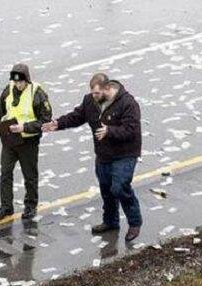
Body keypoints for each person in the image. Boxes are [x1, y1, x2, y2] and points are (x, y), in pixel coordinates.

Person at [43, 76, 143, 241]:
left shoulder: (128, 103)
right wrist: (58, 124)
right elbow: (77, 117)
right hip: (104, 154)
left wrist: (109, 131)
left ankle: (134, 223)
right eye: (92, 93)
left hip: (125, 154)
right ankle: (110, 222)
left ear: (107, 88)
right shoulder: (90, 101)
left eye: (97, 93)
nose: (94, 96)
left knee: (119, 187)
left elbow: (131, 130)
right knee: (106, 189)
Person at [0, 63, 52, 221]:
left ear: (27, 80)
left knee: (29, 175)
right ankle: (6, 207)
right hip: (10, 139)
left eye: (21, 82)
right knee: (5, 172)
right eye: (16, 82)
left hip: (28, 141)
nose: (18, 85)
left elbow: (46, 121)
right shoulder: (8, 90)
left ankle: (30, 206)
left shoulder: (38, 93)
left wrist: (24, 127)